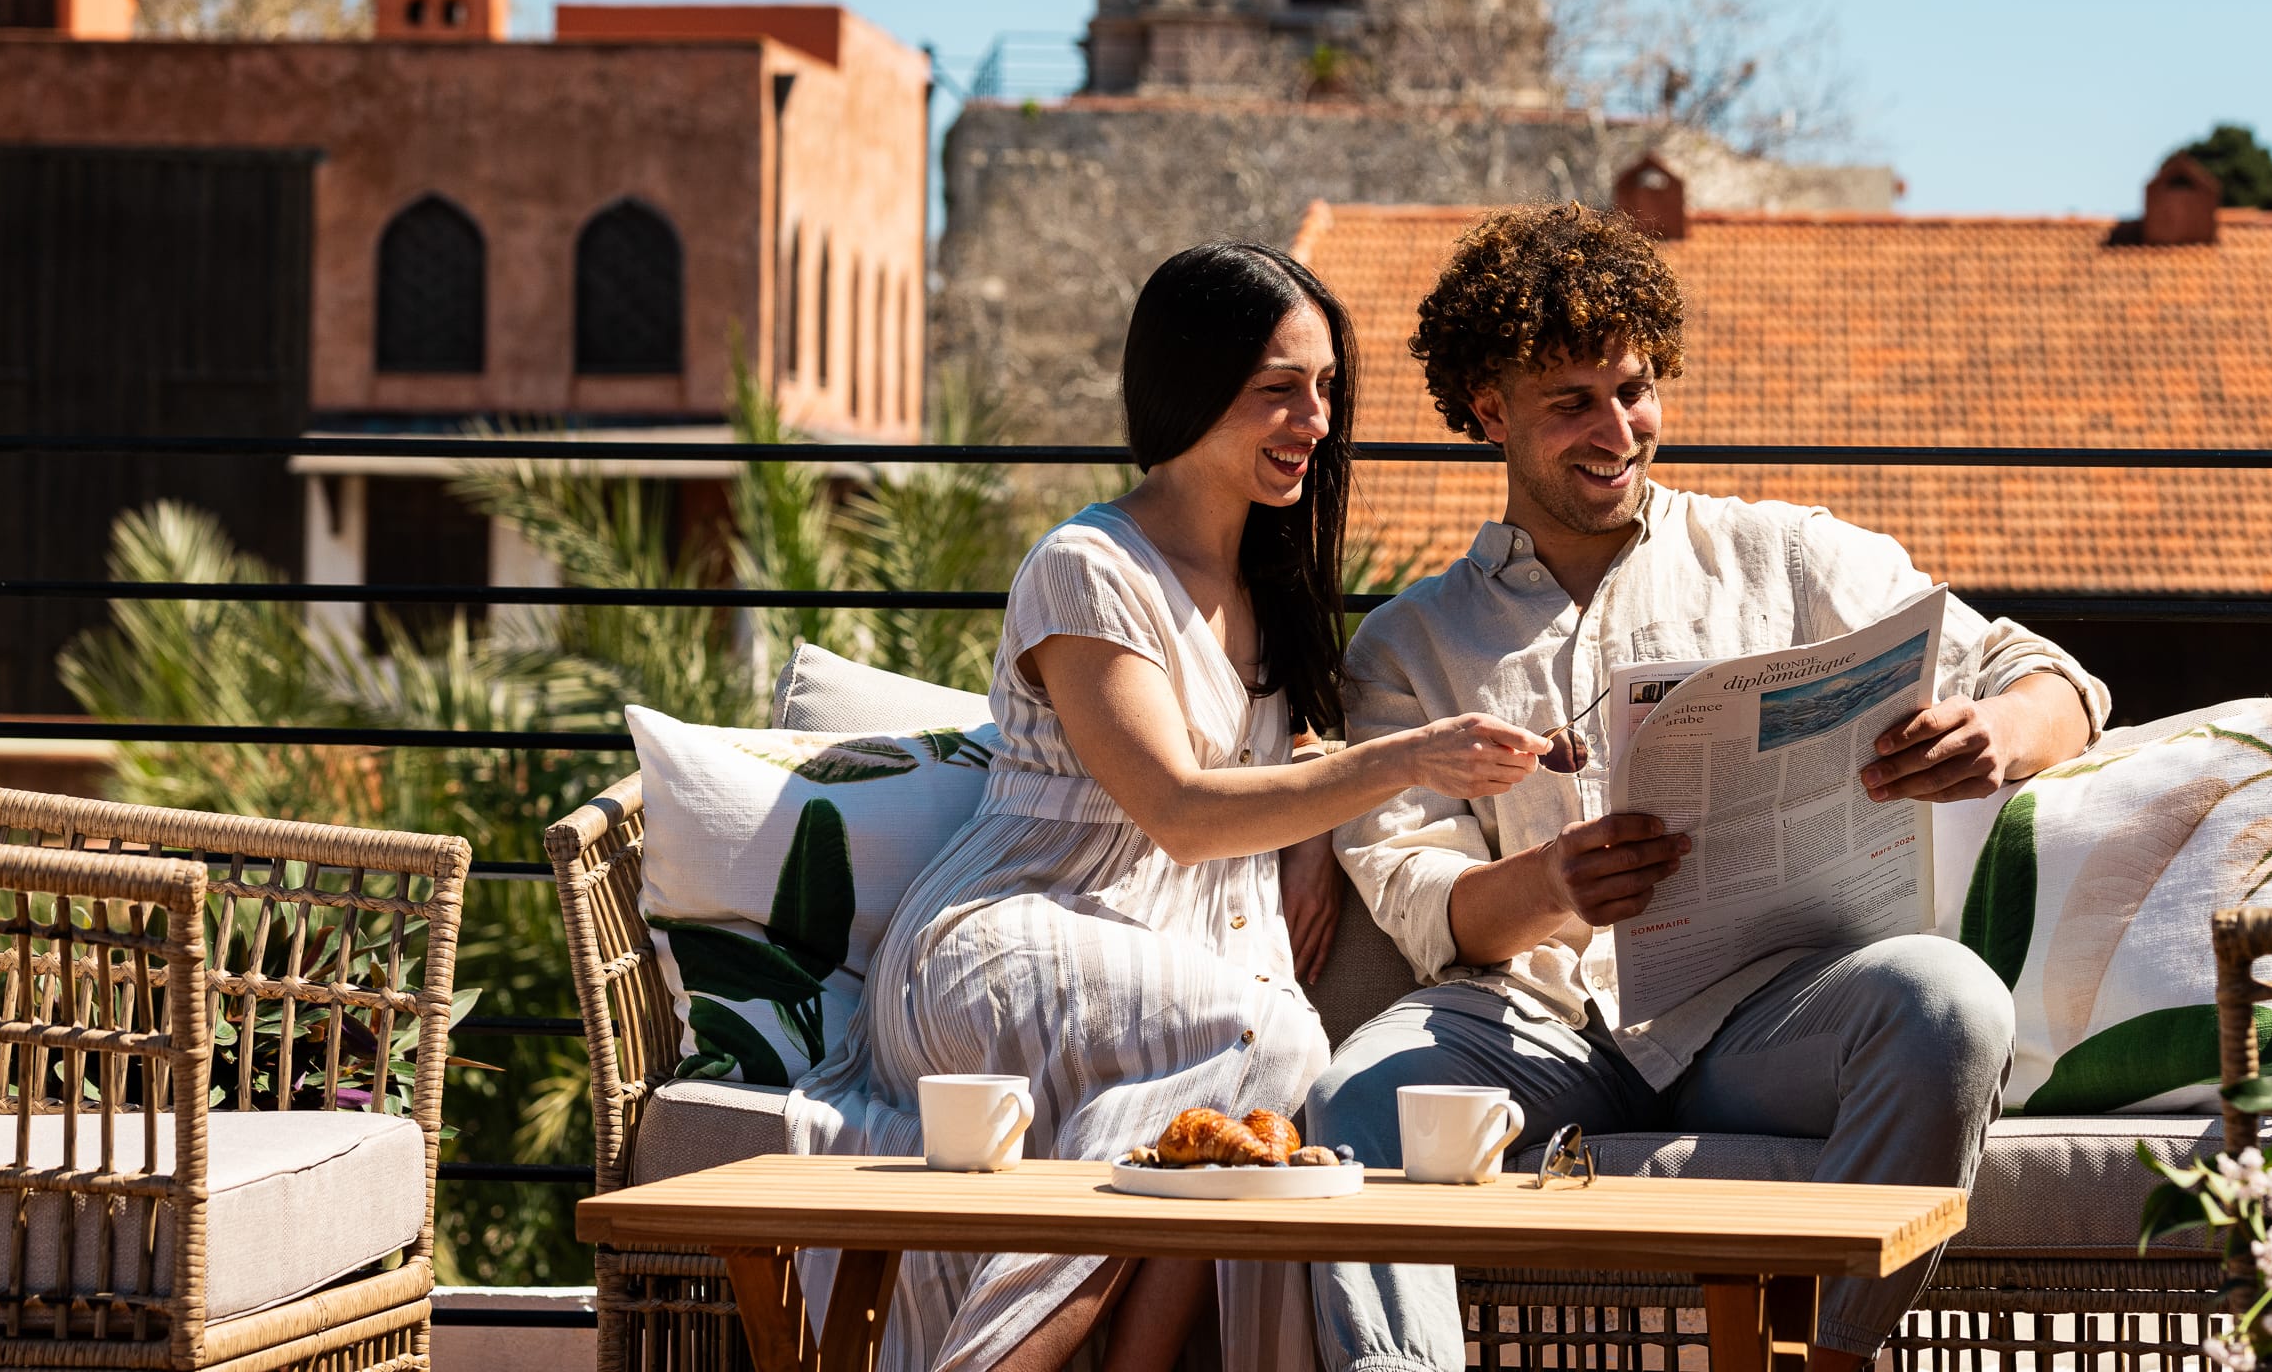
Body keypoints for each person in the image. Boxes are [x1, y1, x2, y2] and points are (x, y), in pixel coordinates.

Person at [1310, 204, 2112, 1372]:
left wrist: (2001, 730)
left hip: (1770, 1014)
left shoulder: (1786, 555)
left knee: (1949, 1002)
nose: (1617, 429)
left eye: (1634, 388)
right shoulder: (1408, 646)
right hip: (1534, 1027)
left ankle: (1825, 1363)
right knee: (1354, 1095)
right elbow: (1430, 907)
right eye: (1571, 400)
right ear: (1489, 409)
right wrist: (1552, 880)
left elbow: (2052, 678)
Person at [790, 242, 1549, 1372]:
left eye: (1325, 387)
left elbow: (1280, 746)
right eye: (1278, 388)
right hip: (1018, 933)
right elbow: (1180, 811)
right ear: (1191, 386)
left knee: (1257, 1075)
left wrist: (1307, 837)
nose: (1314, 419)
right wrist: (1407, 759)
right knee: (1264, 1033)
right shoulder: (1087, 566)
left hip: (1183, 960)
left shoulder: (1268, 579)